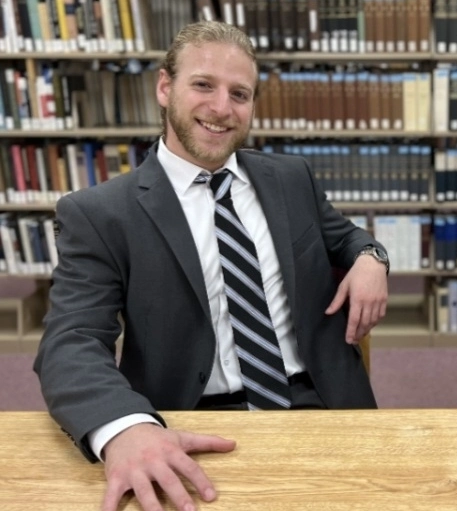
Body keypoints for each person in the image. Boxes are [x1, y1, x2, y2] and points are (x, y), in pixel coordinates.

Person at [34, 20, 389, 511]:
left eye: (239, 94)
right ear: (165, 87)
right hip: (188, 420)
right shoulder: (100, 213)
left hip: (322, 406)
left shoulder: (291, 178)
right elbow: (70, 341)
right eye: (203, 85)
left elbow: (345, 238)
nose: (222, 108)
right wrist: (125, 428)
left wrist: (372, 258)